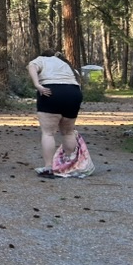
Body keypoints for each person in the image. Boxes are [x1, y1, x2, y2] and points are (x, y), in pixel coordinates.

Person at [27, 49, 82, 178]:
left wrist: (37, 85)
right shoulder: (65, 64)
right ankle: (69, 165)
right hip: (73, 92)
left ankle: (48, 167)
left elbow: (32, 66)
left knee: (48, 133)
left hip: (51, 91)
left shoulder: (40, 60)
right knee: (68, 132)